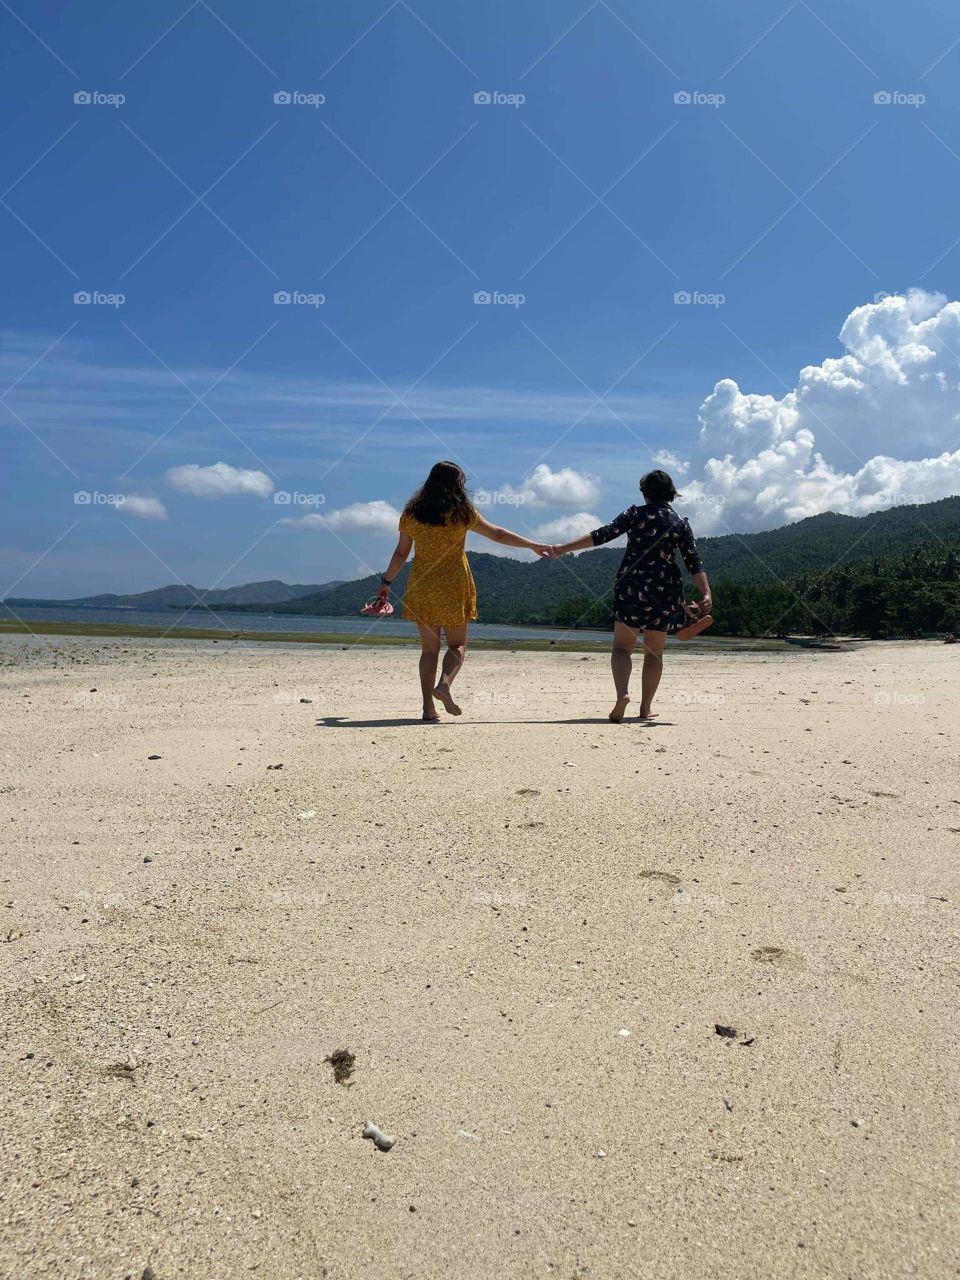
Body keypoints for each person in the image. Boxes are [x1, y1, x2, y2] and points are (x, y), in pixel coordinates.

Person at [376, 461, 552, 721]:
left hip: (422, 584)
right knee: (457, 645)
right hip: (453, 583)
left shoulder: (411, 513)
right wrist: (533, 544)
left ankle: (428, 709)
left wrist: (386, 583)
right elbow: (499, 535)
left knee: (429, 651)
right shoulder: (461, 511)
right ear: (457, 485)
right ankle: (444, 684)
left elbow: (402, 553)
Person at [549, 469, 713, 723]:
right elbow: (694, 562)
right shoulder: (680, 523)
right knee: (654, 653)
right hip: (665, 590)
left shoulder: (635, 513)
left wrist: (563, 548)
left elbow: (603, 534)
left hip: (631, 587)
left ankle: (623, 694)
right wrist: (706, 592)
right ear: (671, 494)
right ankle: (645, 708)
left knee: (622, 648)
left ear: (645, 493)